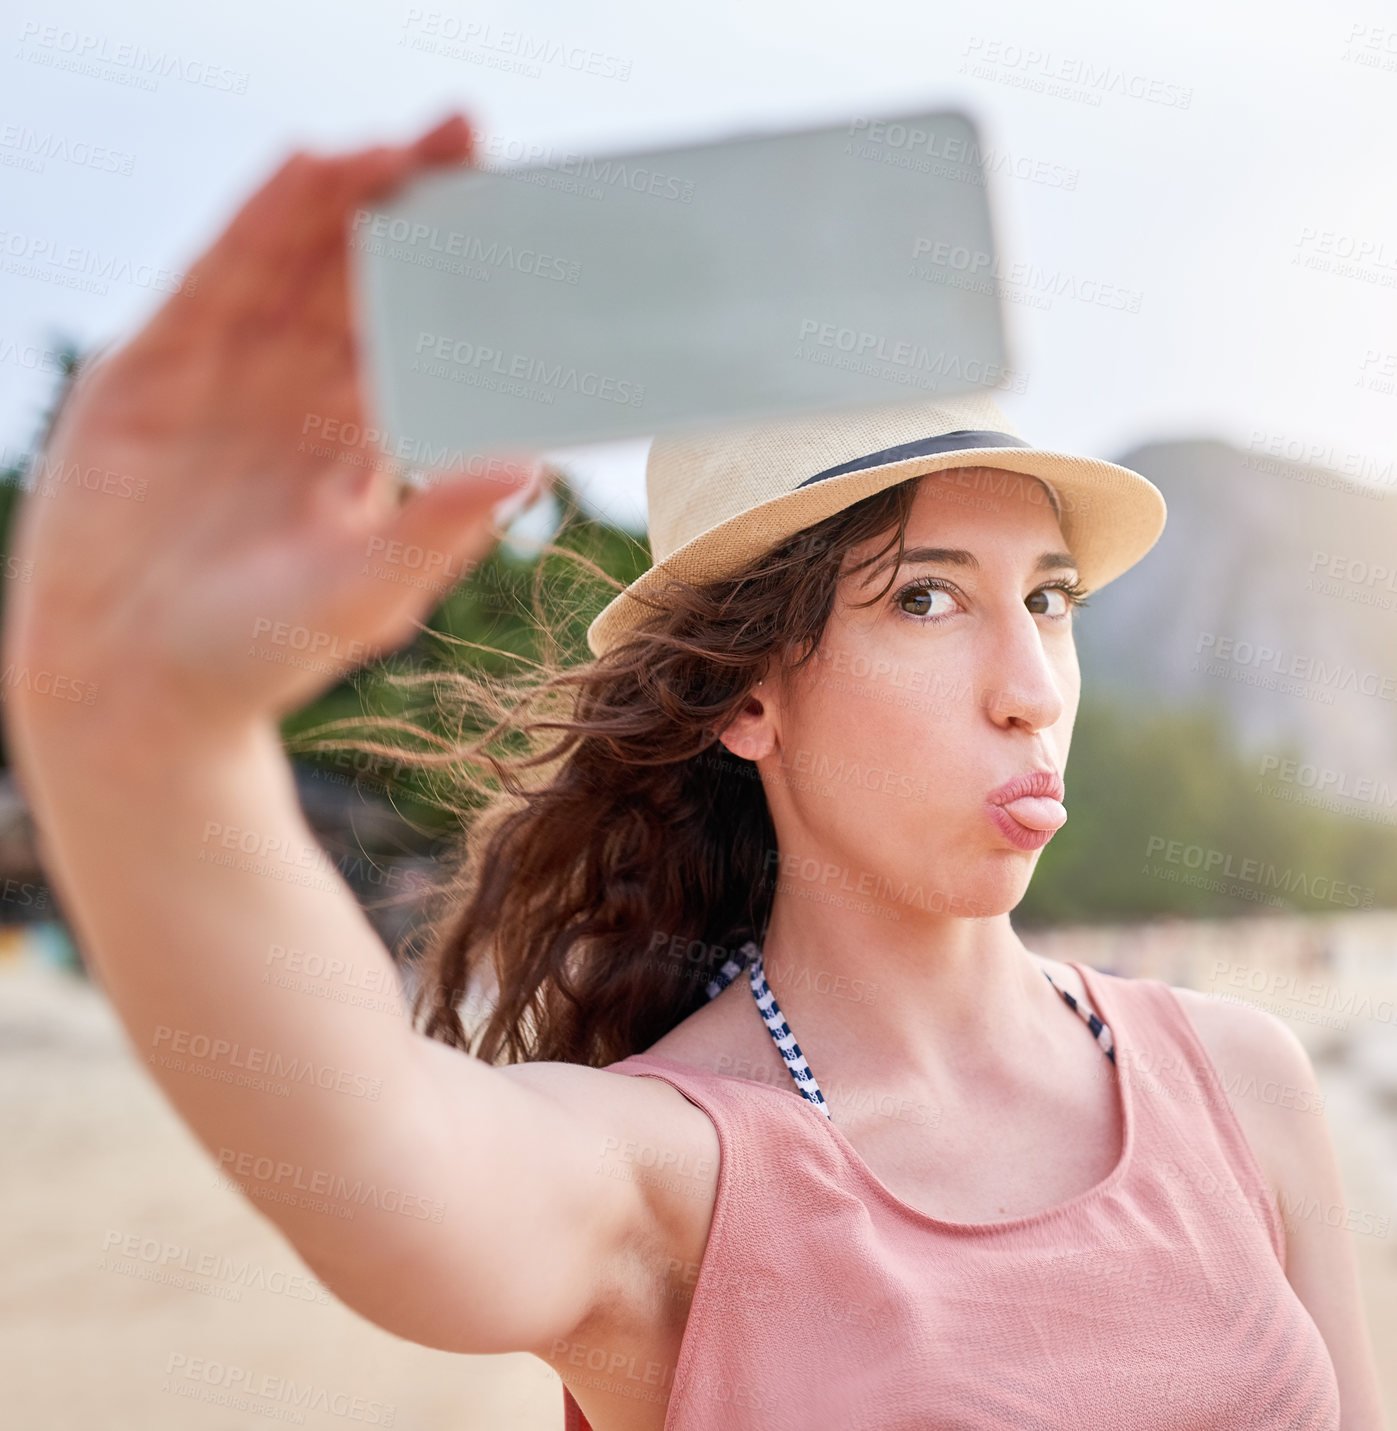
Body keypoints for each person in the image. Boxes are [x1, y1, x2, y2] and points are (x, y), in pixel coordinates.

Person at [3, 113, 1384, 1431]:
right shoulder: (667, 1176)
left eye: (1048, 599)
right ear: (744, 696)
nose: (1030, 690)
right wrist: (135, 730)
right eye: (922, 599)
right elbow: (368, 1145)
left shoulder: (1237, 1080)